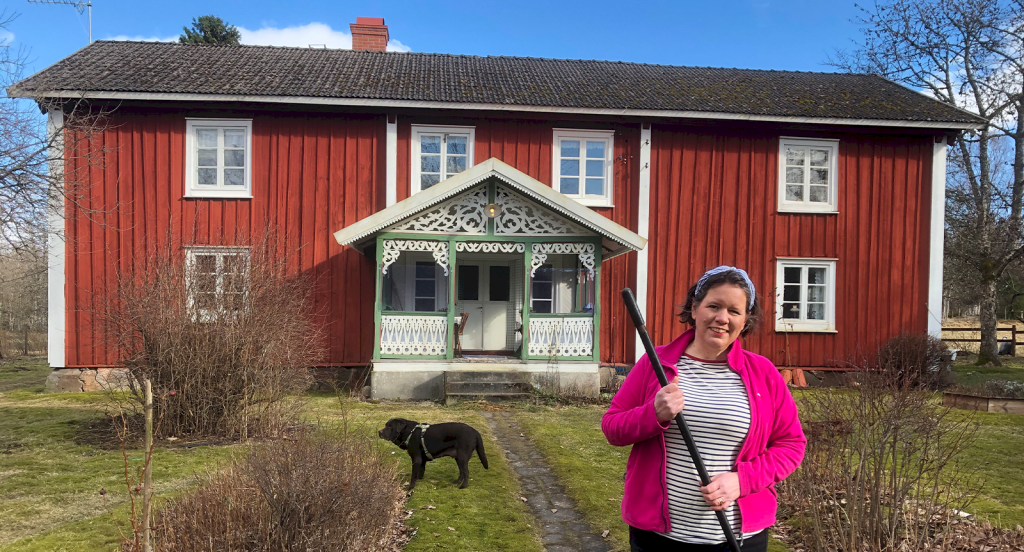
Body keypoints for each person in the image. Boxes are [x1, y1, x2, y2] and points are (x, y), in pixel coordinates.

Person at [602, 266, 806, 552]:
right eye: (714, 306)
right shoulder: (655, 363)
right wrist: (653, 414)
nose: (722, 318)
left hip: (737, 538)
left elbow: (791, 444)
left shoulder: (763, 373)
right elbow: (613, 428)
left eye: (734, 311)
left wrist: (743, 481)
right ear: (695, 308)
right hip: (658, 537)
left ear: (745, 319)